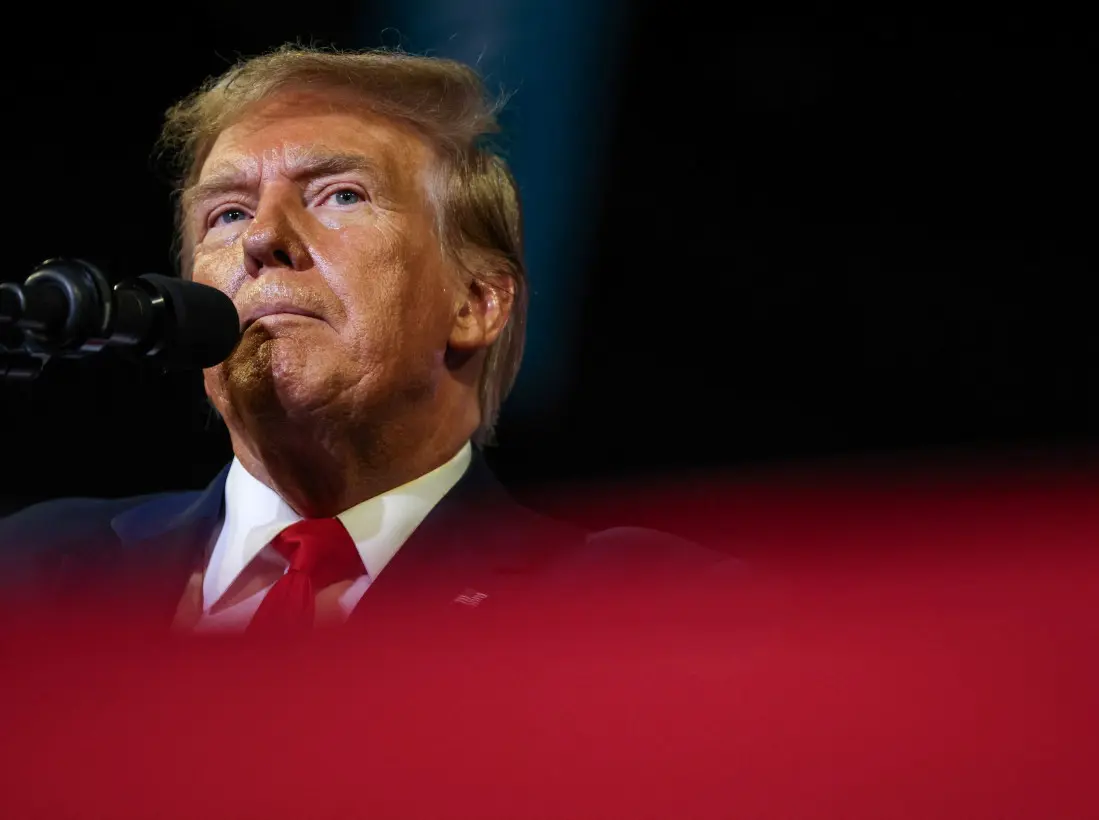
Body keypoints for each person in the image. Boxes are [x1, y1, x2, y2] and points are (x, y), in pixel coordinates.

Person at [0, 45, 739, 635]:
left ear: (476, 303)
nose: (262, 238)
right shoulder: (33, 573)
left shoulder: (633, 608)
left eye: (340, 196)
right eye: (225, 214)